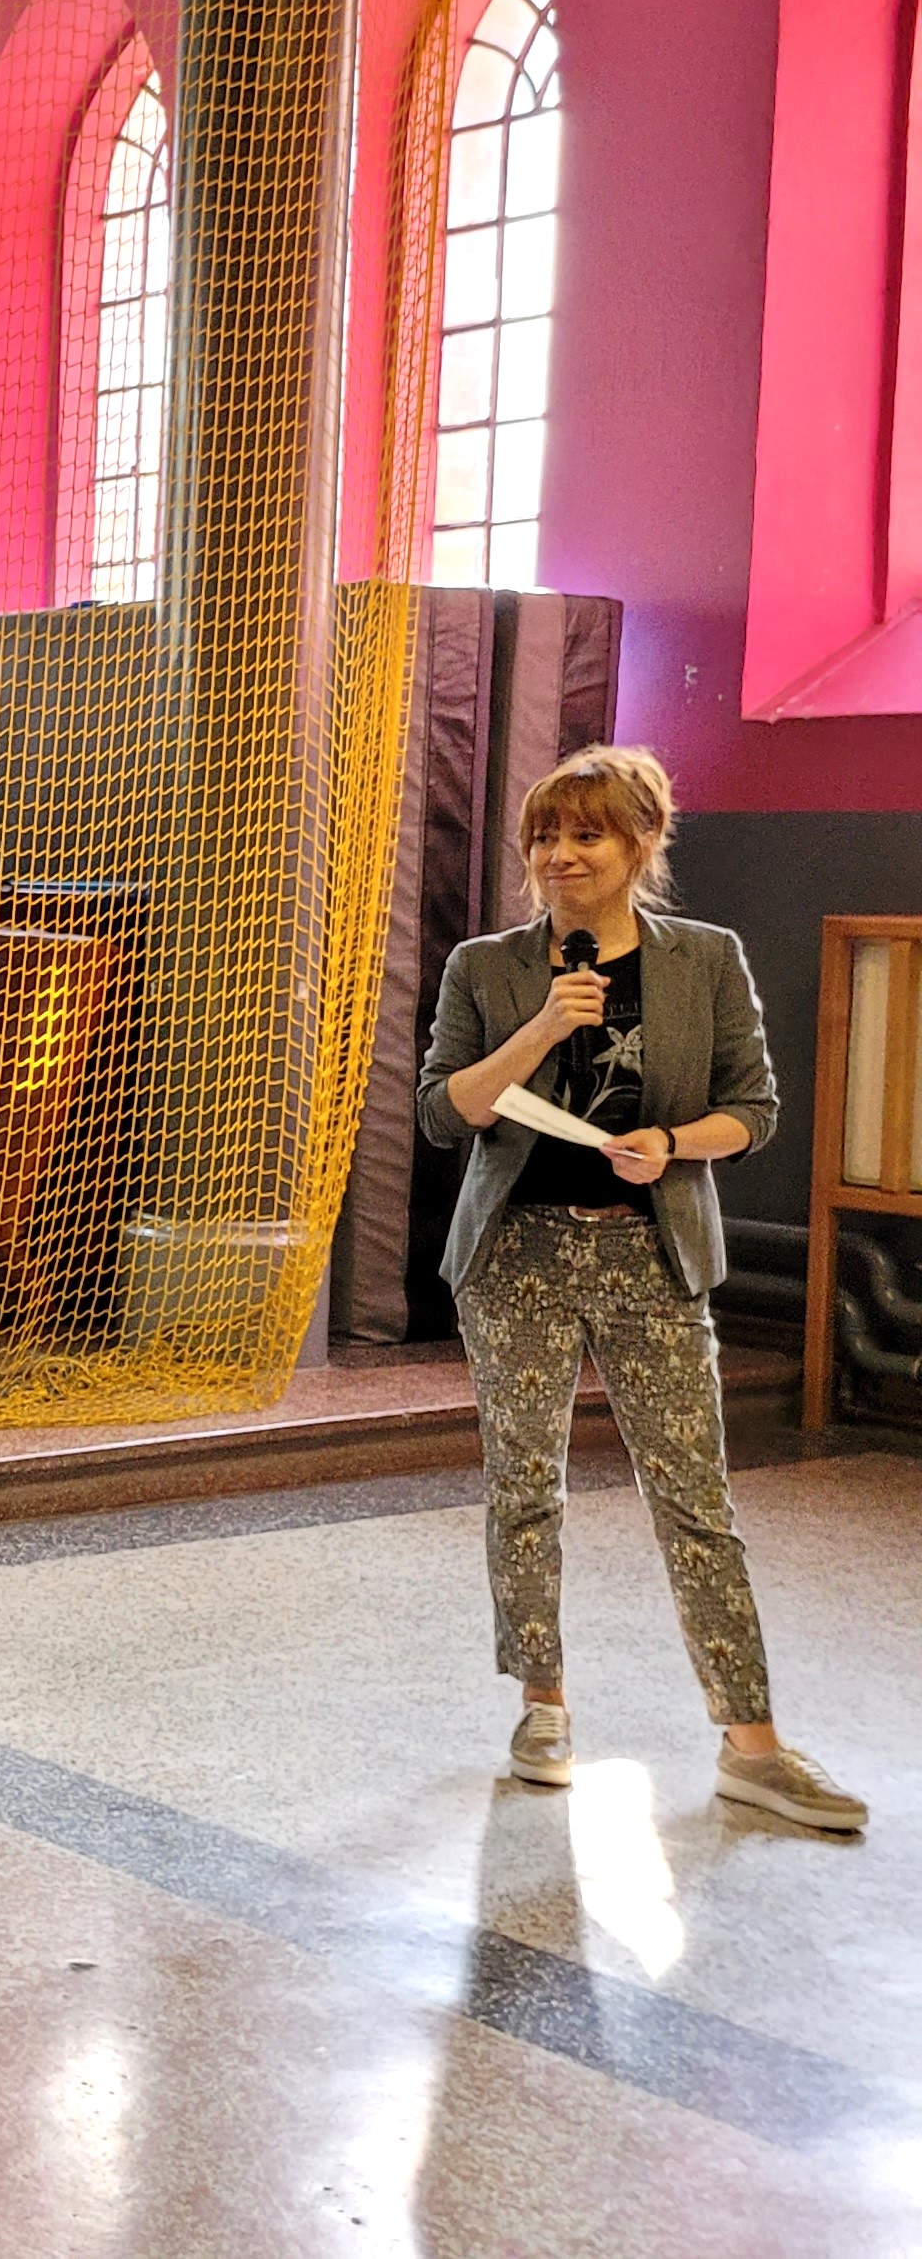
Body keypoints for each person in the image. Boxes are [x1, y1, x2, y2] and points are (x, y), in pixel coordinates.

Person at [415, 744, 865, 1833]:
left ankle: (753, 1746)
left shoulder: (705, 958)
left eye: (588, 835)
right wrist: (542, 1026)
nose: (559, 856)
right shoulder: (487, 966)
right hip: (516, 1259)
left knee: (695, 1501)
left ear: (642, 842)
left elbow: (753, 1111)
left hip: (648, 1256)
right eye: (544, 836)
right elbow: (443, 1113)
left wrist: (670, 1142)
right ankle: (543, 1709)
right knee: (525, 1488)